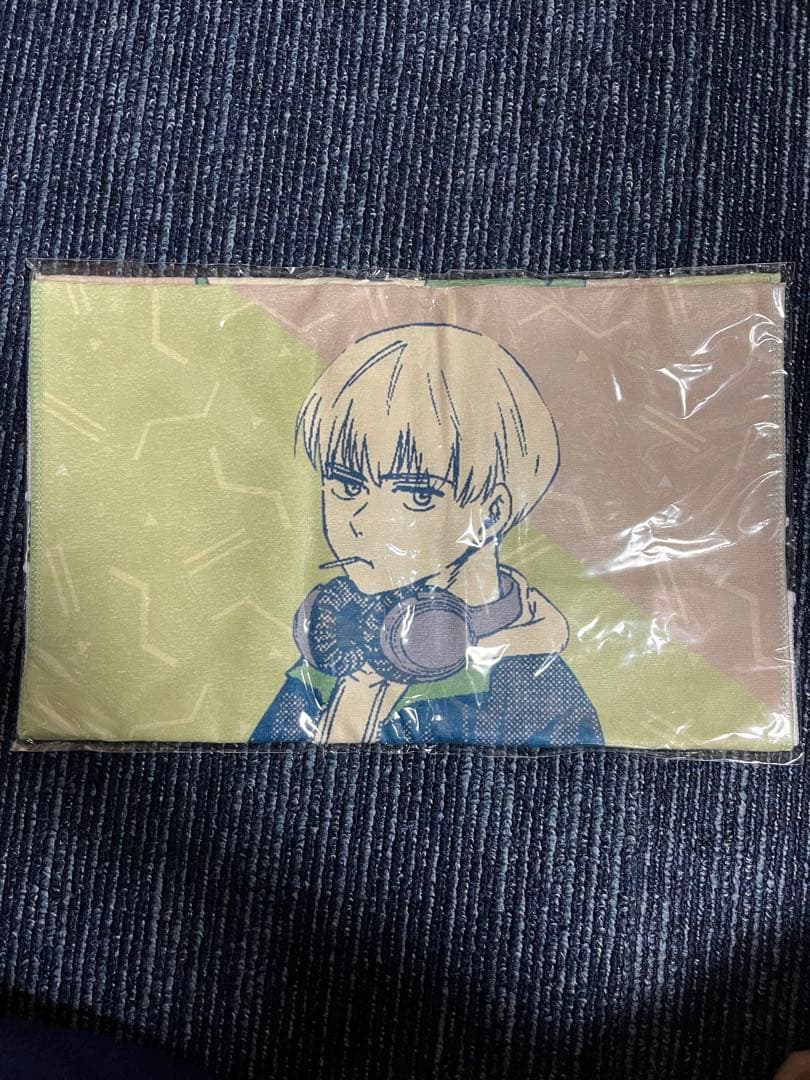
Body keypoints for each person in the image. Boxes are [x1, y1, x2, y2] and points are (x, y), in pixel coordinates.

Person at [251, 322, 602, 746]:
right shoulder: (337, 661)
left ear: (492, 512)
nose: (363, 519)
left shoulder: (537, 693)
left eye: (417, 494)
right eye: (346, 485)